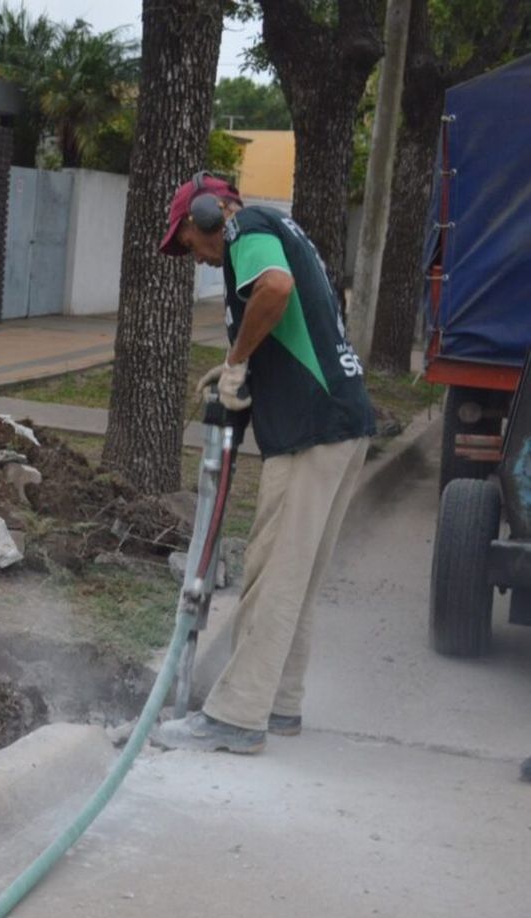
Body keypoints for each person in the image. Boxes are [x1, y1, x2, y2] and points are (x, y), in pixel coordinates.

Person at [151, 172, 376, 754]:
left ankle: (236, 716)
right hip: (343, 424)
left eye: (187, 241)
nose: (194, 257)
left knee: (272, 571)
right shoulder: (283, 228)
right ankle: (279, 704)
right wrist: (242, 368)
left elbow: (274, 290)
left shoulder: (245, 227)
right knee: (297, 577)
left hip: (311, 430)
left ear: (209, 213)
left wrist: (234, 359)